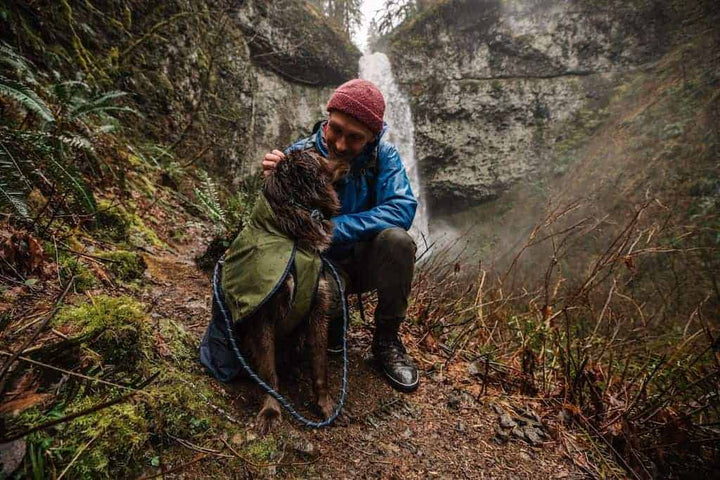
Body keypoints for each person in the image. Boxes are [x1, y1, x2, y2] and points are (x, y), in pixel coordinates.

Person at [262, 79, 420, 392]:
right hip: (317, 266)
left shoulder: (384, 157)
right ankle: (334, 325)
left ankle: (386, 341)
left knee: (398, 242)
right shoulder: (299, 154)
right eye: (335, 130)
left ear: (373, 137)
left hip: (364, 260)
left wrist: (333, 228)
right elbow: (278, 220)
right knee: (324, 306)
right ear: (327, 117)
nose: (341, 144)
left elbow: (401, 208)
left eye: (355, 137)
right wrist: (273, 181)